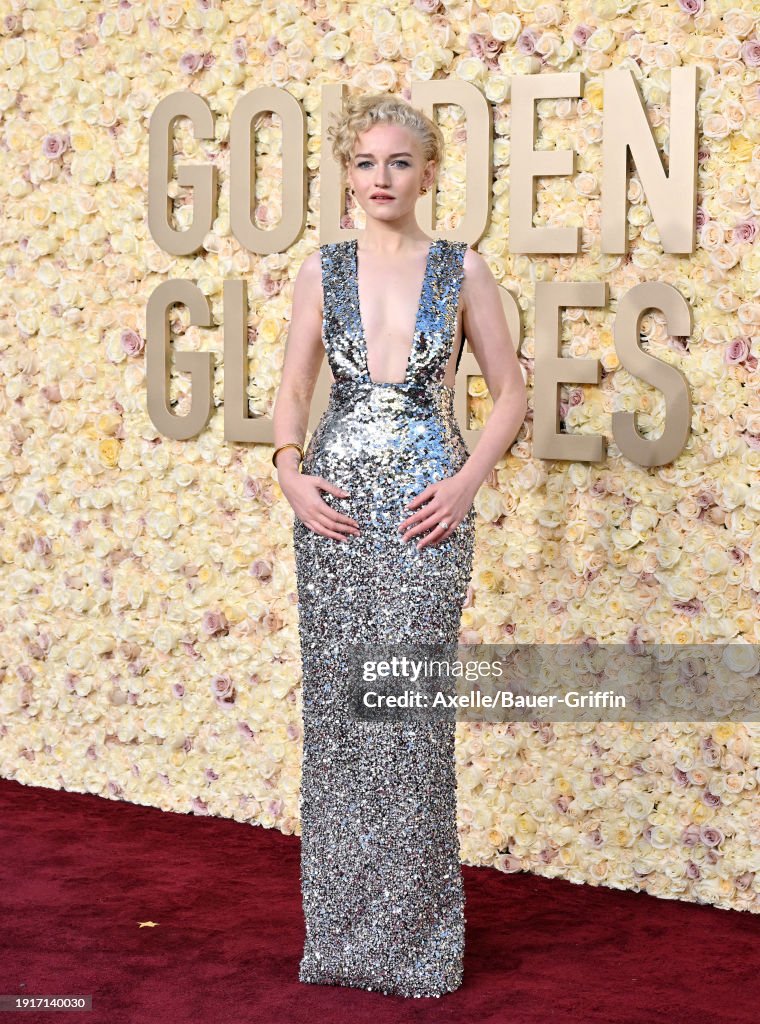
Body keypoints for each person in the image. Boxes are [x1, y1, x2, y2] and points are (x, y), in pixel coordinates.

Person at [272, 93, 527, 998]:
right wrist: (289, 472)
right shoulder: (321, 269)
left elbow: (510, 393)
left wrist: (465, 483)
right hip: (333, 516)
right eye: (366, 162)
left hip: (428, 512)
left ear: (428, 173)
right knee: (341, 720)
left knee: (408, 720)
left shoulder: (463, 269)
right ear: (347, 173)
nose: (382, 178)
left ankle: (417, 946)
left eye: (400, 162)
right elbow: (292, 391)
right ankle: (342, 944)